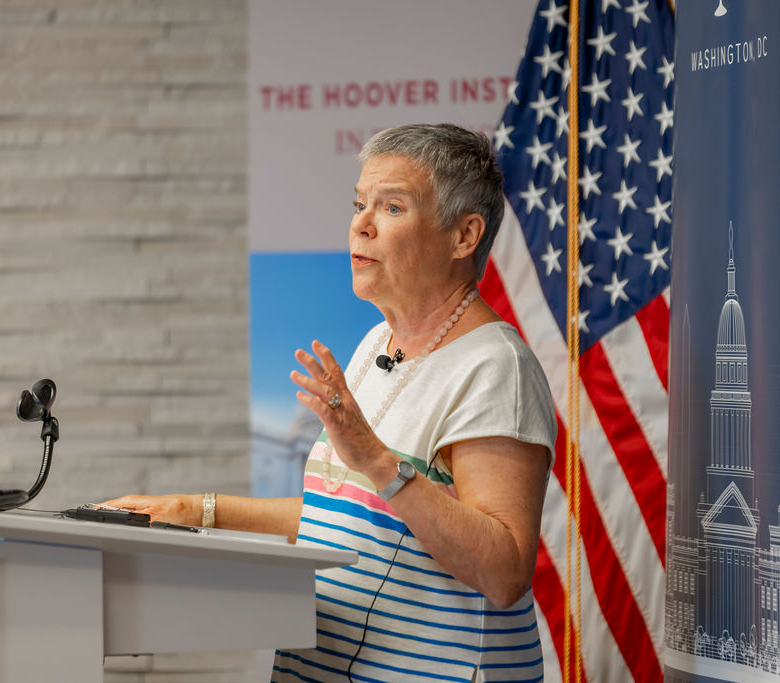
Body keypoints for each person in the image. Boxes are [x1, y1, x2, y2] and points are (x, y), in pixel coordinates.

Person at [102, 123, 556, 682]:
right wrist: (192, 510)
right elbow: (342, 521)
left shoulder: (495, 368)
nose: (360, 225)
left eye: (391, 207)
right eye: (360, 203)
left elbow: (505, 568)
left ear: (464, 236)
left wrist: (375, 459)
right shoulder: (374, 344)